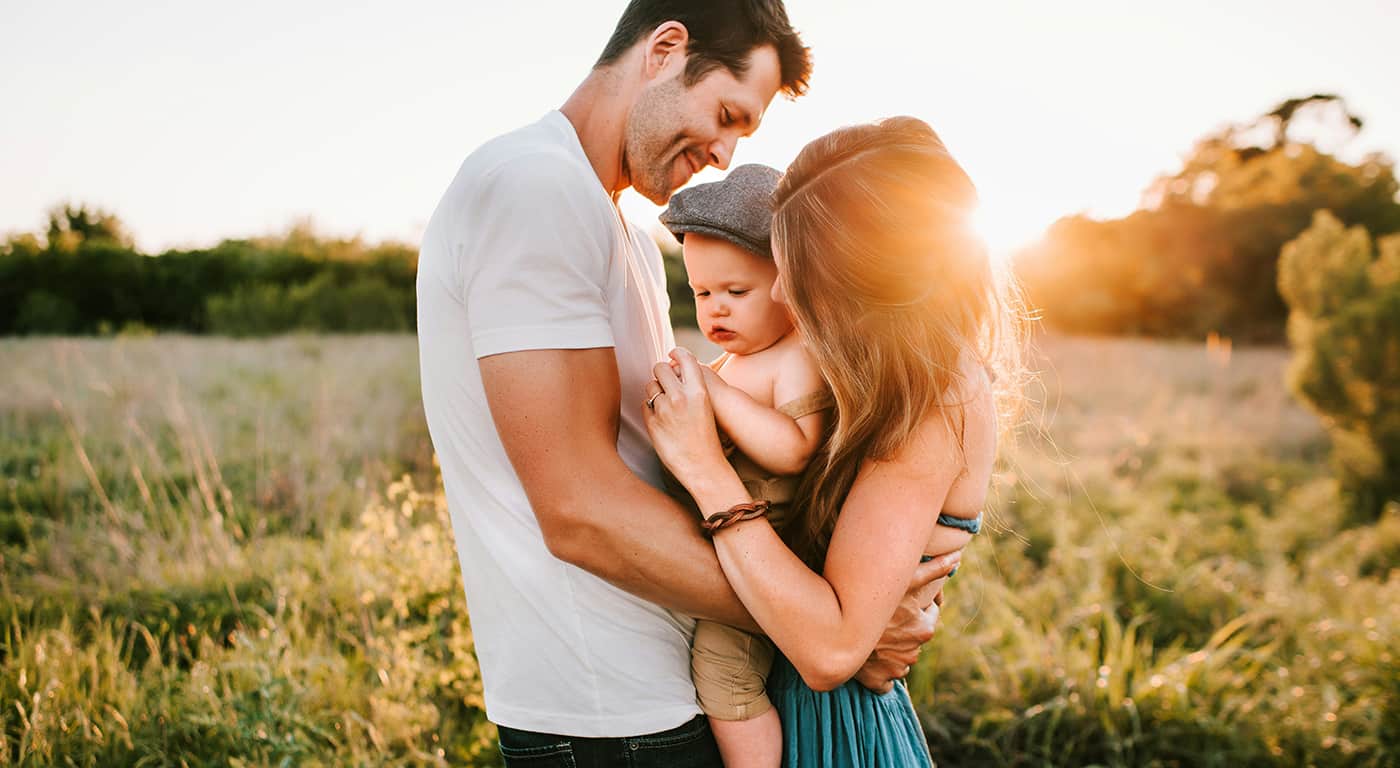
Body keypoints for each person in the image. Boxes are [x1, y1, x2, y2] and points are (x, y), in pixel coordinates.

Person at [415, 2, 961, 765]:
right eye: (727, 113)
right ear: (666, 49)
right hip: (612, 714)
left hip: (666, 689)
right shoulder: (534, 188)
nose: (727, 153)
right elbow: (579, 510)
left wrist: (836, 617)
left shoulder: (624, 229)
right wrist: (830, 625)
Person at [644, 116, 1020, 766]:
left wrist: (707, 473)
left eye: (799, 272)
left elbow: (830, 650)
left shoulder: (938, 397)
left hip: (836, 730)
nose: (783, 292)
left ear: (867, 276)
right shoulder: (876, 378)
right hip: (788, 695)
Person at [660, 163, 832, 767]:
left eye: (737, 292)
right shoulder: (732, 363)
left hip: (772, 555)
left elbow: (796, 447)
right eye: (703, 294)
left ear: (790, 285)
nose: (717, 312)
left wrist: (717, 396)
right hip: (726, 550)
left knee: (724, 676)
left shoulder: (796, 354)